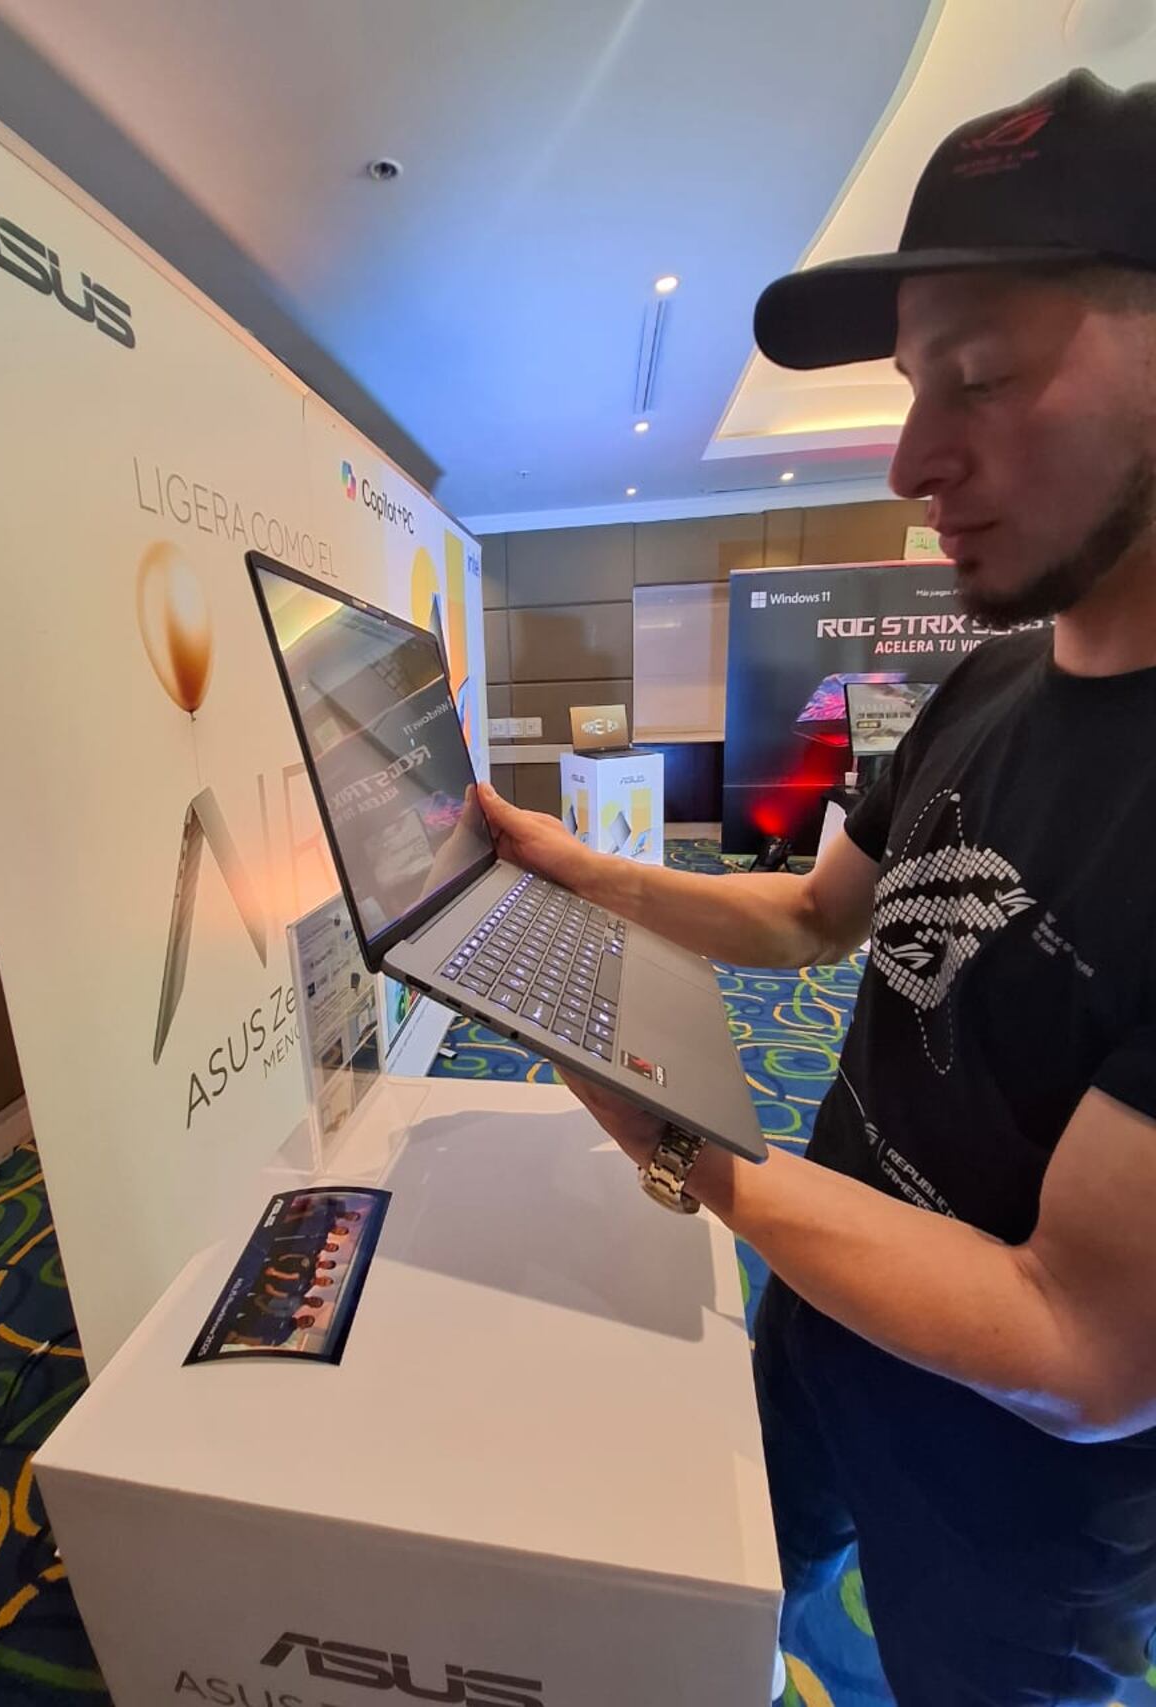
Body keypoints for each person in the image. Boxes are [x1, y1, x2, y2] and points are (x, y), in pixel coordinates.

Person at [479, 70, 1156, 1707]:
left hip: (1021, 1495)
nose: (915, 458)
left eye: (980, 378)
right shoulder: (988, 681)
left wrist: (678, 1144)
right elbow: (808, 917)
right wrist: (573, 865)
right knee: (736, 1606)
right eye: (914, 387)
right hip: (825, 1298)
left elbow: (1084, 1348)